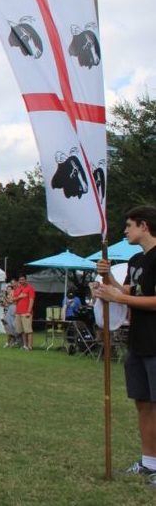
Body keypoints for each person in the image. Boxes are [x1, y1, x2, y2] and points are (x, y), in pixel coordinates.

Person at [92, 206, 156, 485]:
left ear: (144, 225)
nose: (125, 230)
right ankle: (149, 462)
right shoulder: (136, 260)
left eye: (129, 225)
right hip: (138, 342)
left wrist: (118, 299)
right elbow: (128, 291)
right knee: (143, 403)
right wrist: (107, 281)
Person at [13, 274, 36, 350]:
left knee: (28, 330)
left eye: (23, 279)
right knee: (21, 330)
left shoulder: (30, 288)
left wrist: (28, 311)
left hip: (26, 312)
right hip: (18, 312)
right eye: (20, 280)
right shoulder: (18, 288)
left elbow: (31, 300)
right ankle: (24, 345)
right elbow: (13, 299)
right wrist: (20, 296)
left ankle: (30, 346)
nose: (21, 281)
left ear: (26, 280)